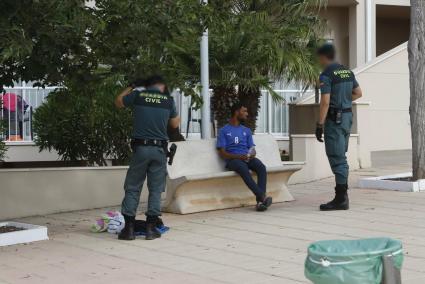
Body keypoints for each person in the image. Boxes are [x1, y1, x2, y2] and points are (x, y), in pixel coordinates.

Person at [115, 75, 180, 240]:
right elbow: (174, 124)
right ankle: (151, 229)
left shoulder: (138, 95)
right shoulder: (168, 100)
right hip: (159, 150)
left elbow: (119, 102)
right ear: (162, 85)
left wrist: (131, 86)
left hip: (141, 149)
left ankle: (129, 229)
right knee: (156, 189)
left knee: (133, 186)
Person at [315, 43, 363, 211]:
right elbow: (358, 93)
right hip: (347, 118)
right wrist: (344, 101)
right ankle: (342, 196)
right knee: (341, 154)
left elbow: (325, 102)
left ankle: (341, 198)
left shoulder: (326, 74)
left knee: (337, 157)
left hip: (334, 120)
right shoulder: (347, 71)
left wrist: (319, 124)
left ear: (322, 57)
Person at [216, 103, 272, 211]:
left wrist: (251, 154)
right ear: (237, 112)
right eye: (244, 111)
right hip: (233, 160)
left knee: (261, 167)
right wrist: (238, 156)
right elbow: (222, 153)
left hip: (246, 158)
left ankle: (260, 203)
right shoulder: (224, 131)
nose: (247, 114)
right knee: (243, 169)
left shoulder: (246, 130)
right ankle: (262, 197)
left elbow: (252, 148)